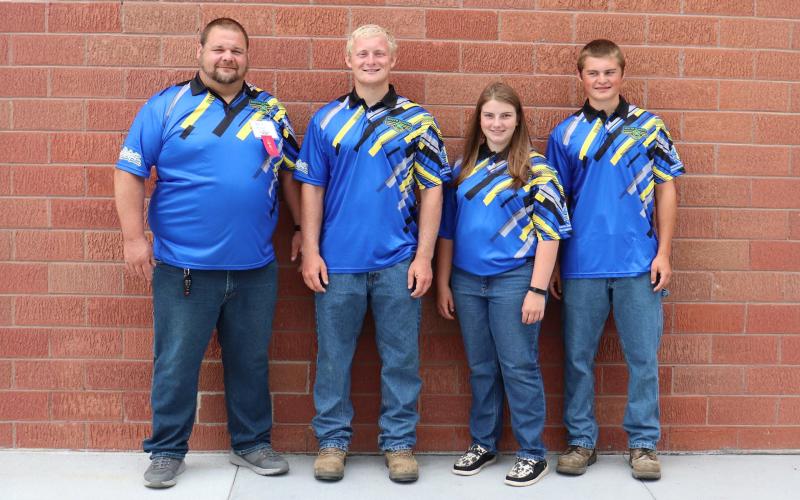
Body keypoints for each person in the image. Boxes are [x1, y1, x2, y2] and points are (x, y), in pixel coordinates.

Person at [114, 18, 302, 489]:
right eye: (219, 48)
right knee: (176, 361)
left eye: (236, 50)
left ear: (247, 56)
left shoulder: (270, 109)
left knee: (251, 360)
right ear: (200, 50)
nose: (227, 58)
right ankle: (167, 450)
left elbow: (290, 176)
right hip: (185, 267)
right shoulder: (167, 105)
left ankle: (252, 442)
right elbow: (131, 172)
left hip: (254, 267)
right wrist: (134, 238)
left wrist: (301, 227)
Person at [294, 24, 450, 483]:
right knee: (333, 358)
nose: (370, 61)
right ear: (348, 59)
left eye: (379, 53)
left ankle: (399, 443)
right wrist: (310, 251)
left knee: (401, 357)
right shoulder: (326, 121)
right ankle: (332, 442)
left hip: (398, 261)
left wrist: (423, 258)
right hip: (336, 263)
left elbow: (434, 192)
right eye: (362, 54)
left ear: (392, 60)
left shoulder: (418, 121)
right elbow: (312, 189)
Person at [546, 39, 684, 481]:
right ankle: (581, 441)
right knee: (577, 358)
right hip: (582, 265)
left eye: (609, 72)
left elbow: (666, 188)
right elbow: (553, 204)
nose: (602, 80)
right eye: (593, 73)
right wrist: (552, 265)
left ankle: (643, 444)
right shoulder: (564, 134)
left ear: (622, 74)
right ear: (581, 77)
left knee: (642, 357)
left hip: (638, 263)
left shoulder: (649, 127)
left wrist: (663, 252)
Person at [436, 82, 571, 487]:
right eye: (489, 115)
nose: (497, 123)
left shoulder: (536, 168)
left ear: (518, 121)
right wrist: (443, 283)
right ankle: (484, 443)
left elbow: (550, 234)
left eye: (505, 116)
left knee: (519, 366)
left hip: (514, 281)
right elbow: (447, 232)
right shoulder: (462, 169)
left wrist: (537, 289)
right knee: (481, 368)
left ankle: (533, 452)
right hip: (466, 281)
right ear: (479, 120)